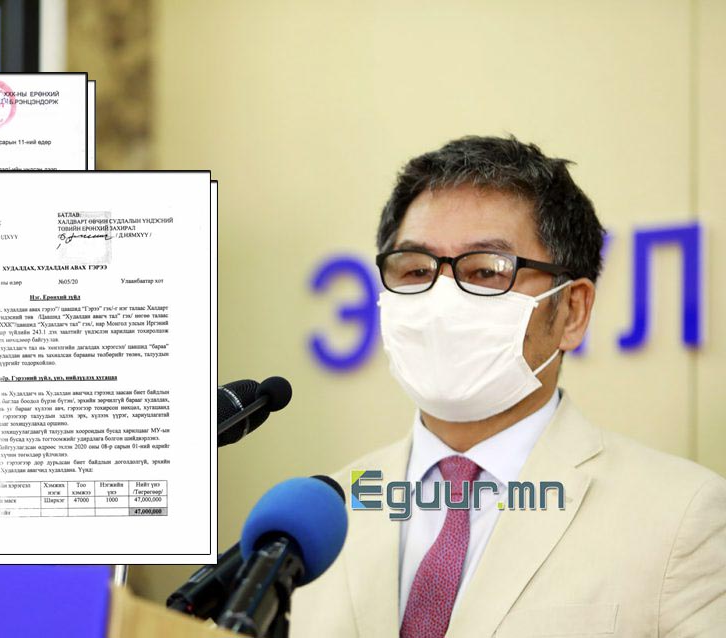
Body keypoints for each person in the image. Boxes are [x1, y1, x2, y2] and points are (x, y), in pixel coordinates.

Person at [290, 136, 726, 637]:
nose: (441, 301)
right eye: (415, 270)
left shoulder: (678, 516)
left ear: (572, 311)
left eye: (486, 271)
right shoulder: (314, 519)